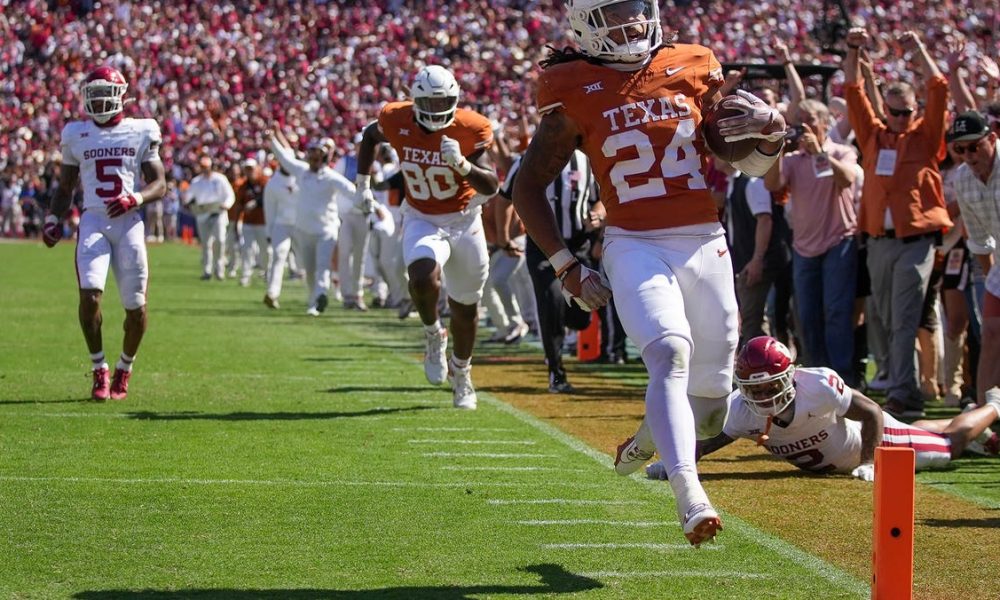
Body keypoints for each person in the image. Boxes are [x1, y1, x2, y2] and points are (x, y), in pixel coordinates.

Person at [511, 0, 786, 546]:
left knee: (710, 410)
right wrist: (566, 265)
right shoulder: (571, 85)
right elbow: (526, 186)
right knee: (668, 352)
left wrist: (771, 134)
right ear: (586, 25)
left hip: (705, 242)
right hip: (633, 242)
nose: (632, 22)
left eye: (637, 9)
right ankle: (689, 493)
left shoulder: (692, 63)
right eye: (615, 14)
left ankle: (645, 437)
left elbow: (745, 164)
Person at [643, 337, 1000, 480]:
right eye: (755, 389)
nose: (764, 396)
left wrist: (869, 462)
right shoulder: (740, 410)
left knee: (948, 447)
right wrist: (674, 463)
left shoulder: (817, 386)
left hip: (875, 440)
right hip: (847, 449)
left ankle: (994, 405)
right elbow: (707, 443)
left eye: (771, 386)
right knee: (924, 431)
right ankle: (976, 424)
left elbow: (871, 413)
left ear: (789, 377)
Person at [354, 65, 499, 410]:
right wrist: (362, 185)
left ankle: (461, 373)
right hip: (421, 216)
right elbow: (370, 137)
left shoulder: (470, 127)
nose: (436, 110)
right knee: (421, 276)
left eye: (443, 102)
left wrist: (463, 165)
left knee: (466, 306)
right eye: (429, 103)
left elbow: (492, 186)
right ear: (414, 100)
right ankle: (434, 333)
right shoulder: (396, 118)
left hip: (464, 220)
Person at [844, 28, 952, 418]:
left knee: (904, 318)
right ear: (886, 110)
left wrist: (919, 47)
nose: (903, 118)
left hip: (915, 242)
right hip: (878, 241)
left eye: (908, 111)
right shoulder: (873, 136)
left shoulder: (926, 136)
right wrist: (853, 48)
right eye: (896, 112)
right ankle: (904, 387)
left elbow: (938, 87)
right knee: (886, 318)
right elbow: (853, 90)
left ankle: (903, 394)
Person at [41, 66, 166, 401]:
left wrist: (134, 198)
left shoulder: (140, 129)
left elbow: (159, 184)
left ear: (120, 96)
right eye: (92, 95)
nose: (97, 102)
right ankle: (100, 368)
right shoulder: (77, 133)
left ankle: (125, 368)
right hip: (94, 219)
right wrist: (53, 217)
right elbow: (65, 187)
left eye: (103, 94)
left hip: (128, 222)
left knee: (136, 307)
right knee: (90, 296)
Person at [764, 99, 860, 386]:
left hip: (838, 242)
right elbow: (772, 184)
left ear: (825, 123)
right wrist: (777, 148)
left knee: (836, 312)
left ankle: (843, 378)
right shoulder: (793, 160)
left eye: (809, 121)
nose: (803, 127)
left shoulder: (842, 151)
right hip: (804, 247)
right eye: (798, 122)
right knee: (806, 314)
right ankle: (818, 377)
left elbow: (847, 179)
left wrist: (820, 153)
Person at [498, 149, 601, 393]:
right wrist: (503, 239)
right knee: (550, 303)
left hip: (578, 243)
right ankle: (556, 371)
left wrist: (599, 214)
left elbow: (602, 198)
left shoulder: (587, 160)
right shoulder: (527, 160)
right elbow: (504, 199)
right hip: (543, 246)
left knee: (581, 316)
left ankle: (562, 317)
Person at [270, 132, 354, 316]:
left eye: (317, 156)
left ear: (323, 158)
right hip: (304, 230)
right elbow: (284, 158)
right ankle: (313, 299)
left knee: (322, 266)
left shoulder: (331, 177)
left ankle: (321, 295)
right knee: (309, 270)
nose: (314, 160)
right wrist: (272, 139)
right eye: (312, 156)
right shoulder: (301, 172)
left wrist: (369, 203)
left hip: (326, 230)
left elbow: (351, 190)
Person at [948, 111, 1000, 405]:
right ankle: (984, 414)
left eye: (974, 146)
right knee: (990, 333)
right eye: (960, 148)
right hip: (999, 263)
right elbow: (979, 241)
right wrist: (991, 282)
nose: (967, 155)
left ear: (992, 138)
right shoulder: (962, 178)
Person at [184, 154, 235, 280]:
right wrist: (188, 202)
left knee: (220, 240)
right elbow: (187, 197)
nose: (205, 169)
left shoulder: (220, 179)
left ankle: (219, 269)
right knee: (205, 243)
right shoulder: (196, 181)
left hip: (218, 212)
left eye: (206, 167)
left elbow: (230, 195)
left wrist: (226, 204)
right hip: (203, 213)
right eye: (202, 167)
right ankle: (207, 270)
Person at [263, 161, 298, 309]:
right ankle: (272, 293)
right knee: (278, 255)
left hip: (301, 224)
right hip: (281, 224)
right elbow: (269, 209)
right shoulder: (273, 183)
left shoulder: (302, 176)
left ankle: (316, 294)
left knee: (308, 260)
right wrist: (269, 231)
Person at [235, 157, 269, 287]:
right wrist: (236, 221)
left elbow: (269, 197)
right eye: (247, 169)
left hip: (263, 222)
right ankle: (246, 275)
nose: (250, 172)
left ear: (257, 169)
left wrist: (256, 203)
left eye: (251, 169)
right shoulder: (243, 186)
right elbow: (239, 204)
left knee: (265, 250)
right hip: (248, 222)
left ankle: (267, 271)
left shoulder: (264, 182)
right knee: (247, 249)